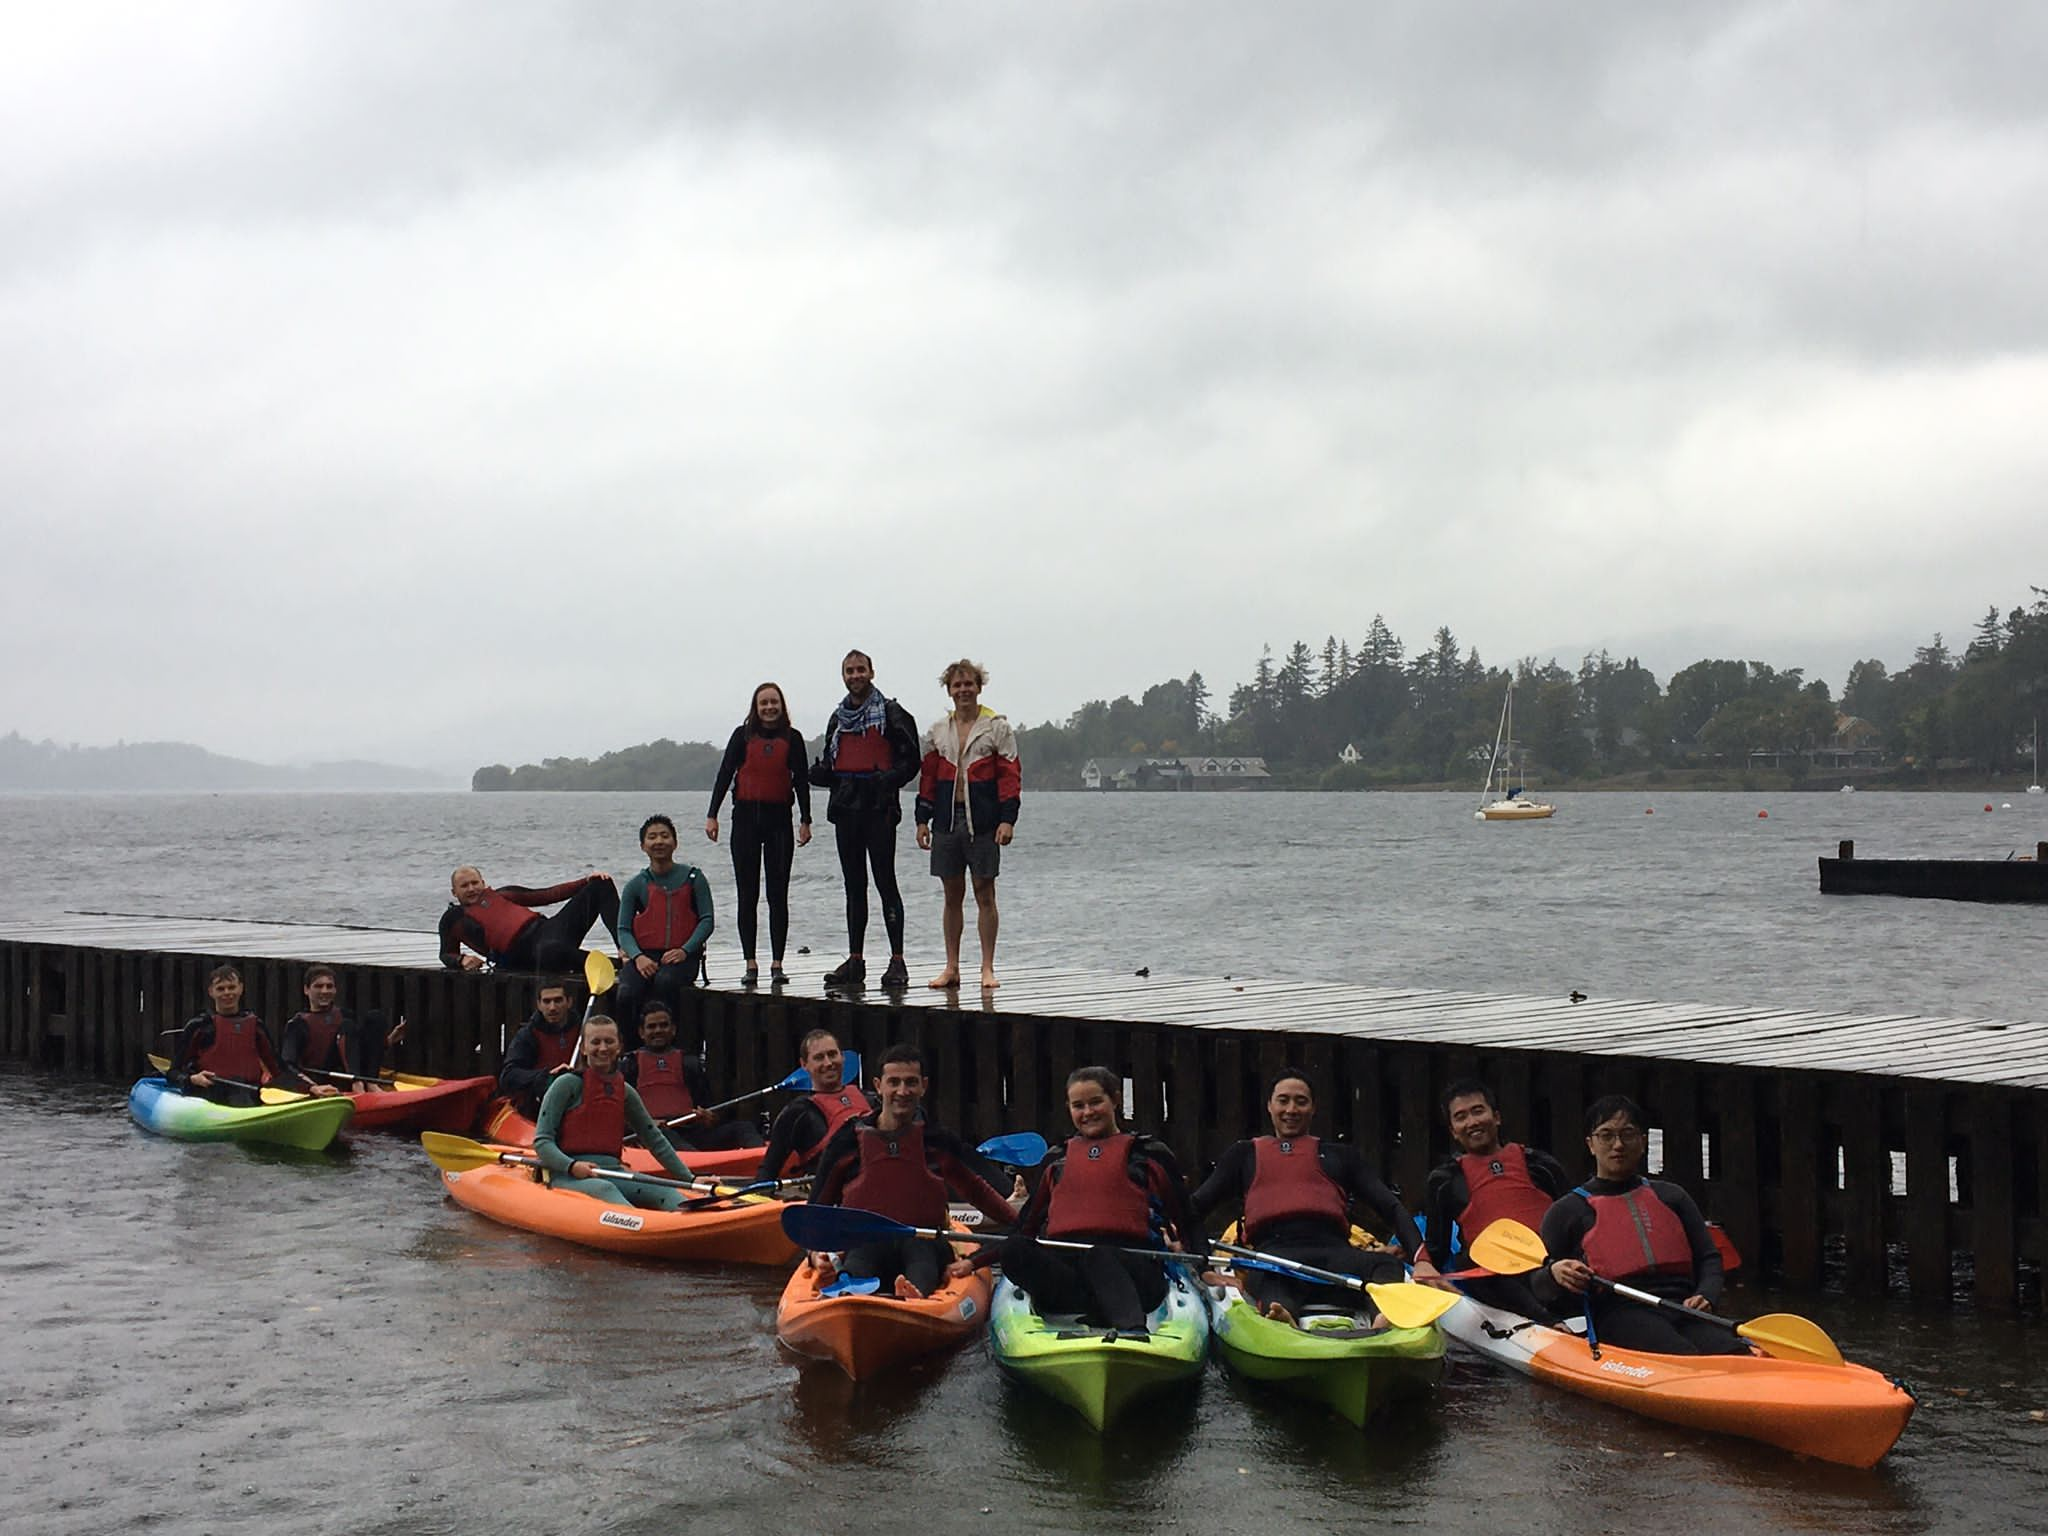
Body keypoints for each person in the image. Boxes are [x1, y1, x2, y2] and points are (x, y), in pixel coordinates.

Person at [1189, 1070, 1437, 1324]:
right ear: (1269, 1106)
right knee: (1267, 1278)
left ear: (1313, 1108)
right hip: (1276, 1256)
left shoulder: (1340, 1156)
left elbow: (1392, 1208)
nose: (1291, 1109)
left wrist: (1422, 1261)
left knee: (1385, 1266)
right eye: (1283, 1100)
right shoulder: (1244, 1155)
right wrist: (1204, 1268)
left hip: (1335, 1254)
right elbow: (1192, 1209)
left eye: (1301, 1101)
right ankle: (1282, 1317)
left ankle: (1384, 1317)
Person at [989, 1066, 1205, 1333]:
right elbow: (1026, 1225)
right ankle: (1096, 1309)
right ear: (1068, 1108)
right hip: (1072, 1279)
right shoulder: (1057, 1160)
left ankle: (1133, 1332)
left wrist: (1205, 1269)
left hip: (1135, 1273)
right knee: (1015, 1249)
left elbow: (1186, 1216)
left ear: (1114, 1099)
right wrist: (972, 1262)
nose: (1088, 1112)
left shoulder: (1149, 1154)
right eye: (1078, 1105)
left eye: (1095, 1102)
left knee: (1099, 1255)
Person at [1533, 1094, 1746, 1355]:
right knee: (1682, 1354)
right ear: (1591, 1144)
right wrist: (1554, 1273)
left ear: (1643, 1142)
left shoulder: (1672, 1196)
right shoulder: (1566, 1211)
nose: (1618, 1145)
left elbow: (1709, 1257)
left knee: (1734, 1352)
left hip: (1681, 1306)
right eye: (1606, 1135)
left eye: (1628, 1134)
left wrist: (1707, 1295)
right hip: (1620, 1312)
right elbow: (1536, 1283)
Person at [807, 1041, 1018, 1298]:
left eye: (911, 1082)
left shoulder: (937, 1140)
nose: (902, 1091)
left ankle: (912, 1296)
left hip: (925, 1242)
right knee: (860, 1259)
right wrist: (815, 1252)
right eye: (893, 1082)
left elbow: (978, 1192)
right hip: (866, 1243)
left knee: (921, 1257)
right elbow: (817, 1207)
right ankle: (851, 1297)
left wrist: (1020, 1225)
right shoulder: (847, 1140)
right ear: (878, 1085)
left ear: (923, 1086)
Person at [809, 649, 920, 991]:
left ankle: (897, 961)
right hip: (846, 811)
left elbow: (912, 762)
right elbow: (832, 764)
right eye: (849, 671)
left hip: (879, 810)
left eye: (860, 670)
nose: (855, 675)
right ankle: (855, 960)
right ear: (842, 676)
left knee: (886, 882)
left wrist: (887, 779)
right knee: (854, 887)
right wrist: (818, 775)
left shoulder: (893, 714)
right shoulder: (837, 718)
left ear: (872, 672)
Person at [1419, 1078, 1570, 1317]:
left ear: (1497, 1117)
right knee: (1468, 1261)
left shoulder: (1541, 1165)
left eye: (1478, 1111)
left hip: (1549, 1268)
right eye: (1461, 1117)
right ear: (1453, 1132)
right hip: (1492, 1277)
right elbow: (1436, 1246)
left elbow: (1573, 1223)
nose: (1472, 1122)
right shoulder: (1444, 1180)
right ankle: (1549, 1322)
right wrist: (1422, 1263)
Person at [914, 659, 1021, 993]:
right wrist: (922, 819)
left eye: (969, 684)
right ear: (949, 690)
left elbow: (1010, 776)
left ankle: (987, 968)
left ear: (979, 687)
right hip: (947, 820)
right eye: (957, 685)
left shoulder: (997, 727)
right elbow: (928, 779)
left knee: (984, 892)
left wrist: (1007, 819)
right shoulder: (938, 732)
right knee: (951, 896)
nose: (963, 690)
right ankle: (952, 966)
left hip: (984, 823)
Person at [705, 682, 814, 986]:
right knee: (747, 894)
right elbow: (725, 775)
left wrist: (806, 820)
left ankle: (777, 963)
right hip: (745, 821)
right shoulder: (742, 736)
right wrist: (712, 814)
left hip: (779, 821)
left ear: (782, 705)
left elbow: (801, 780)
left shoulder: (792, 738)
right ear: (755, 707)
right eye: (763, 703)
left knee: (778, 895)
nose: (769, 708)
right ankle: (750, 962)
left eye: (774, 702)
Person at [532, 1017, 697, 1210]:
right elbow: (542, 1142)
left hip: (614, 1172)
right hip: (566, 1175)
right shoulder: (566, 1085)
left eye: (609, 1041)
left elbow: (654, 1139)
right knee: (605, 1189)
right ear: (584, 1048)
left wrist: (690, 1178)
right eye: (595, 1042)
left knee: (666, 1192)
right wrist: (572, 1165)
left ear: (619, 1046)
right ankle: (640, 1230)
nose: (603, 1048)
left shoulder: (625, 1091)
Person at [616, 815, 714, 1037]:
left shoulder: (694, 878)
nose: (659, 841)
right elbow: (623, 929)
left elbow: (707, 920)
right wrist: (637, 956)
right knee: (626, 992)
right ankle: (629, 1048)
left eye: (664, 836)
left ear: (675, 843)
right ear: (643, 846)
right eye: (652, 837)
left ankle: (672, 1043)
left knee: (665, 982)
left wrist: (685, 950)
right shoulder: (635, 885)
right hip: (644, 955)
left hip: (682, 957)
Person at [622, 1001, 763, 1152]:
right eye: (651, 1026)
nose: (658, 1030)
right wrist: (646, 1123)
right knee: (665, 1134)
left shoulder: (689, 1063)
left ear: (673, 1030)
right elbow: (619, 1113)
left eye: (664, 1025)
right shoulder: (630, 1065)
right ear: (642, 1033)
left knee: (743, 1127)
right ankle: (696, 1166)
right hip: (652, 1134)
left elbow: (709, 1110)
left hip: (691, 1131)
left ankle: (763, 1159)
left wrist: (708, 1117)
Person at [438, 865, 620, 974]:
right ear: (454, 892)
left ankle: (626, 952)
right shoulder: (453, 919)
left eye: (475, 883)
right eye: (464, 886)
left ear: (483, 883)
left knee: (600, 884)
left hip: (549, 929)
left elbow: (546, 895)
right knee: (551, 950)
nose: (471, 889)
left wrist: (586, 880)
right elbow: (446, 954)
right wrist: (461, 960)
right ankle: (614, 966)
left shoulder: (502, 894)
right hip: (526, 954)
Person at [755, 1029, 875, 1182]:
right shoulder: (798, 1113)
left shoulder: (870, 1100)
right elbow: (768, 1170)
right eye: (819, 1058)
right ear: (804, 1065)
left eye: (832, 1054)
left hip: (875, 1183)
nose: (828, 1063)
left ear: (842, 1057)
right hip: (831, 1196)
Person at [165, 964, 293, 1105]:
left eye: (232, 987)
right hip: (210, 1093)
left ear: (241, 989)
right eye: (220, 989)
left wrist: (310, 1089)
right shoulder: (200, 1026)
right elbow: (173, 1072)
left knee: (241, 1097)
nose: (227, 993)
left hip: (248, 1092)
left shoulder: (256, 1025)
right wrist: (192, 1079)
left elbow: (279, 1069)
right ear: (211, 992)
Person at [277, 964, 403, 1094]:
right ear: (306, 990)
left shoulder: (344, 1014)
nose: (325, 991)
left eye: (329, 986)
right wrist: (312, 1087)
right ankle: (358, 1085)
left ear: (335, 990)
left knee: (375, 1017)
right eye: (318, 986)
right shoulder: (297, 1024)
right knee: (347, 1026)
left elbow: (357, 1049)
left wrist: (388, 1041)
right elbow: (287, 1065)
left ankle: (370, 1083)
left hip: (351, 1074)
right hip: (323, 1080)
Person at [497, 980, 582, 1115]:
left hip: (577, 1101)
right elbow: (508, 1076)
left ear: (569, 1002)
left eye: (558, 1000)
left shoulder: (584, 1031)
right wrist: (545, 1076)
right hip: (537, 1106)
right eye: (546, 1002)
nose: (552, 1007)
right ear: (539, 1005)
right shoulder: (527, 1035)